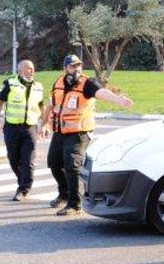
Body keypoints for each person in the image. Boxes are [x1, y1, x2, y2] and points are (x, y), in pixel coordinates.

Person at [41, 54, 133, 216]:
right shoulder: (58, 82)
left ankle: (74, 204)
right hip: (60, 131)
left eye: (78, 66)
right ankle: (64, 193)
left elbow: (101, 92)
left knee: (71, 165)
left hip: (79, 132)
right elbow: (51, 104)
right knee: (54, 164)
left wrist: (118, 99)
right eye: (72, 66)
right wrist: (44, 124)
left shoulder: (87, 83)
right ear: (65, 68)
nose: (76, 69)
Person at [0, 59, 45, 201]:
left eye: (33, 68)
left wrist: (45, 124)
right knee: (13, 158)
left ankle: (24, 188)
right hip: (11, 128)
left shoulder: (38, 86)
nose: (32, 71)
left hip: (30, 128)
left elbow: (41, 106)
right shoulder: (9, 83)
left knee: (28, 160)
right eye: (28, 68)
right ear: (20, 70)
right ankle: (23, 180)